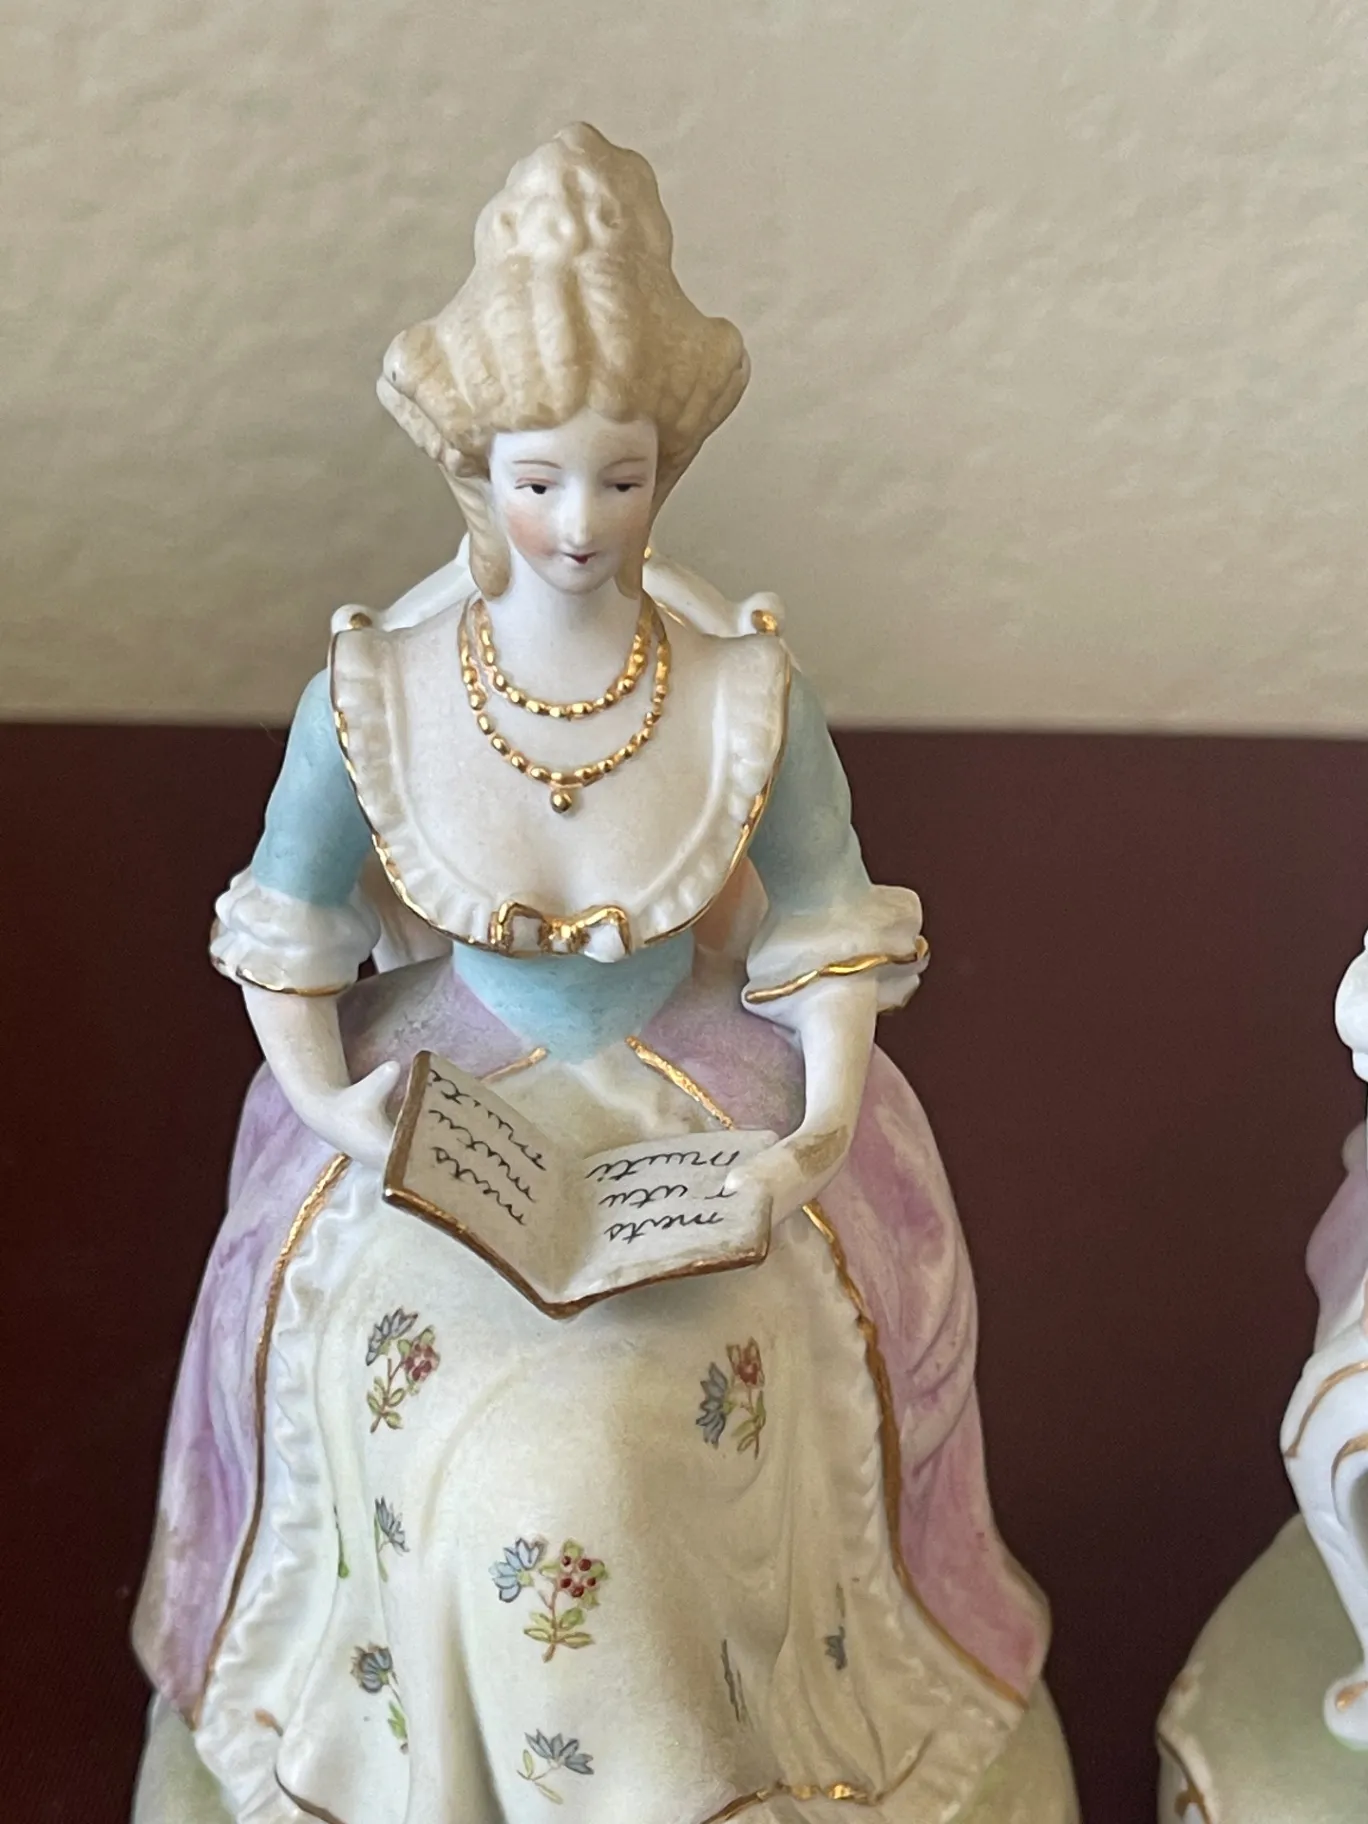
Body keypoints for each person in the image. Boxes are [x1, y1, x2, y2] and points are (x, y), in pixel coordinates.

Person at [132, 124, 1067, 1824]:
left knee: (694, 1411)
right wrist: (335, 1109)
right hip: (433, 1109)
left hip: (706, 1104)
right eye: (539, 481)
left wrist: (815, 1132)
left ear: (666, 473)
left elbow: (826, 927)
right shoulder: (376, 695)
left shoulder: (743, 694)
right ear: (477, 477)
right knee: (422, 1398)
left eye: (619, 481)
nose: (579, 524)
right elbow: (285, 927)